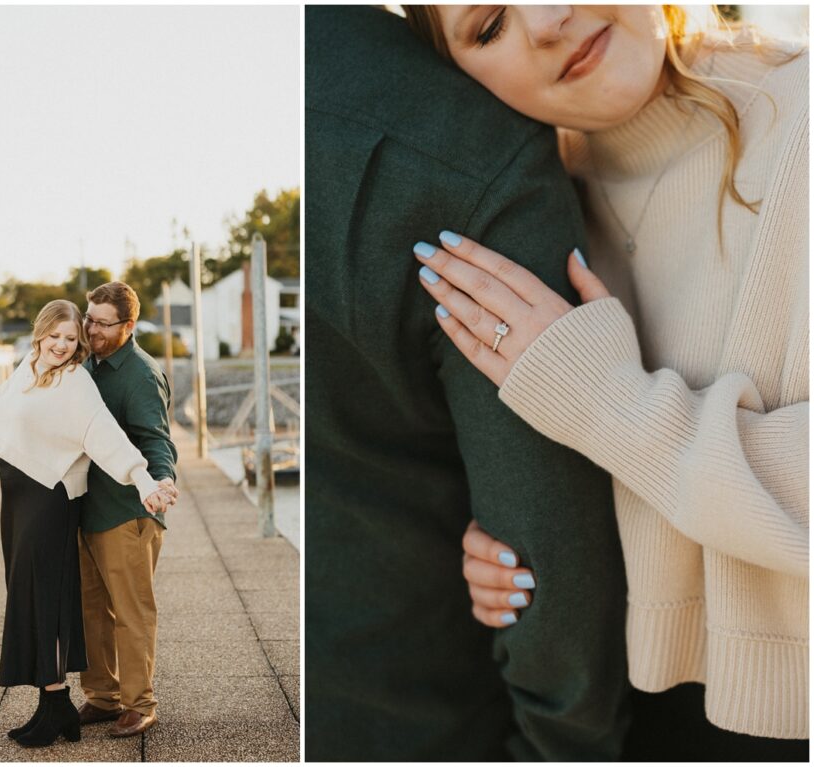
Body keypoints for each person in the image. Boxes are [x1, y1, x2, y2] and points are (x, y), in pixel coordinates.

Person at [403, 4, 808, 757]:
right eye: (489, 25)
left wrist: (607, 404)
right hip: (640, 722)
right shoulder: (532, 216)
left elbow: (616, 416)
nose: (550, 18)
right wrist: (522, 542)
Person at [306, 5, 633, 761]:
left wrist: (626, 414)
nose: (548, 20)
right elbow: (545, 553)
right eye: (488, 26)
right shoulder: (473, 132)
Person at [0, 299, 175, 748]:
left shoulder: (83, 380)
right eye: (59, 335)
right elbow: (11, 398)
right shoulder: (31, 365)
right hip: (22, 500)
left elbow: (111, 437)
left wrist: (149, 482)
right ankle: (68, 701)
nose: (65, 344)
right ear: (40, 334)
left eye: (72, 338)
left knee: (60, 603)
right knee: (44, 601)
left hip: (60, 500)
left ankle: (102, 704)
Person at [75, 281, 178, 739]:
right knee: (91, 610)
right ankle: (102, 695)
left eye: (101, 323)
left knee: (132, 611)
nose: (90, 328)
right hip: (86, 508)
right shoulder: (85, 362)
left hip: (127, 513)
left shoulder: (139, 373)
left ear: (128, 326)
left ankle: (139, 704)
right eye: (88, 318)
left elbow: (157, 439)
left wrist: (163, 480)